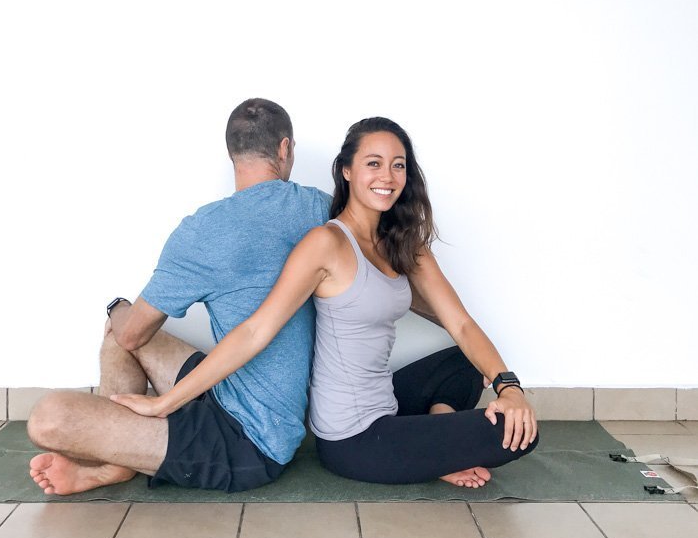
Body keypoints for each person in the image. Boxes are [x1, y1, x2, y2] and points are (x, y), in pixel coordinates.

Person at [112, 117, 539, 488]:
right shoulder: (326, 243)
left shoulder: (405, 244)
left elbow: (460, 323)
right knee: (521, 434)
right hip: (353, 438)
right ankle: (437, 446)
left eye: (398, 165)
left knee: (468, 363)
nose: (386, 176)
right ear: (347, 171)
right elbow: (255, 331)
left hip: (385, 398)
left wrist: (509, 386)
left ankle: (437, 435)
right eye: (373, 163)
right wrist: (164, 403)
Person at [27, 98, 332, 494]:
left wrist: (118, 307)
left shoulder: (203, 229)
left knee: (48, 418)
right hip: (226, 389)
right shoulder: (321, 209)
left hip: (250, 443)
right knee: (118, 339)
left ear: (231, 154)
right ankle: (116, 464)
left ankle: (114, 462)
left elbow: (132, 332)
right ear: (285, 149)